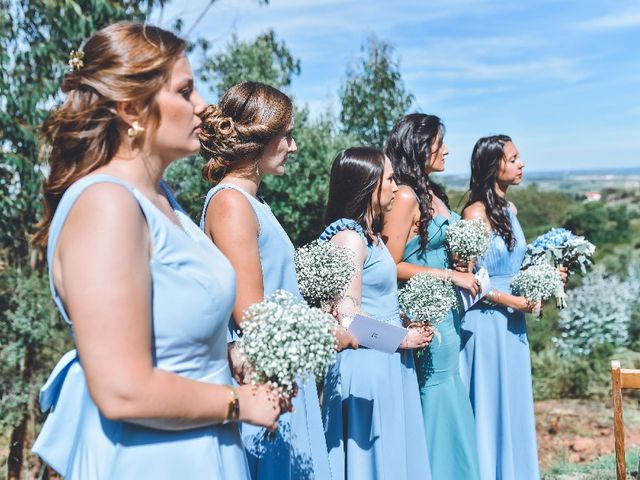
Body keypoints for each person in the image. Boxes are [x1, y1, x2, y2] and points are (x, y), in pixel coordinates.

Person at [31, 22, 281, 479]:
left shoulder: (163, 200)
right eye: (185, 91)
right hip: (151, 459)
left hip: (203, 450)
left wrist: (228, 359)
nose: (203, 106)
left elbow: (167, 337)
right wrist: (239, 402)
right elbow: (121, 389)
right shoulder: (107, 205)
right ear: (131, 109)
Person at [199, 82, 347, 480]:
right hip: (264, 376)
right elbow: (251, 316)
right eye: (287, 136)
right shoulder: (230, 202)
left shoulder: (254, 202)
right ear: (258, 138)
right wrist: (327, 333)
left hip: (284, 370)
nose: (293, 146)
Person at [320, 146, 432, 480]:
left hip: (388, 359)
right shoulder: (350, 239)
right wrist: (403, 338)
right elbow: (347, 320)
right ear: (369, 186)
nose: (397, 187)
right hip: (366, 365)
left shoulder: (368, 235)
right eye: (390, 179)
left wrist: (405, 321)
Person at [382, 114, 480, 479]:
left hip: (450, 312)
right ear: (420, 146)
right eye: (441, 142)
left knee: (451, 389)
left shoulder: (434, 194)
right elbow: (389, 264)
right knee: (436, 393)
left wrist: (462, 260)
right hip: (426, 314)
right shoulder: (405, 195)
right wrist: (448, 273)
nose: (447, 150)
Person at [459, 135, 540, 479]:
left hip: (513, 322)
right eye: (514, 158)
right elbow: (466, 278)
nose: (521, 163)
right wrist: (511, 300)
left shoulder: (511, 210)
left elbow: (516, 266)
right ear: (495, 166)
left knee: (513, 402)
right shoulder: (474, 213)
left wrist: (542, 280)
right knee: (490, 404)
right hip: (486, 322)